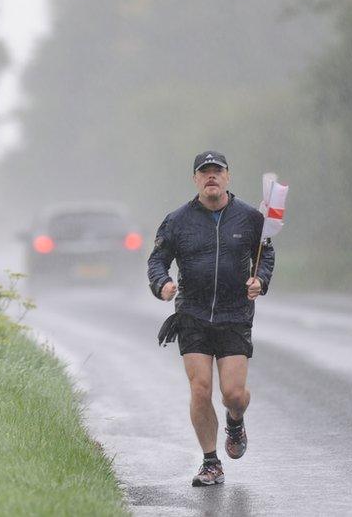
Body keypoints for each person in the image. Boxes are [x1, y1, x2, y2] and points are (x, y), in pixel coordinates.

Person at [147, 151, 275, 487]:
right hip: (193, 314)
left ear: (228, 177)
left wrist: (259, 281)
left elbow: (266, 254)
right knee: (200, 388)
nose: (211, 177)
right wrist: (162, 284)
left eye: (217, 171)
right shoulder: (177, 221)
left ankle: (236, 419)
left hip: (234, 315)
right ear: (195, 180)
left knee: (233, 394)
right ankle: (210, 462)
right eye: (204, 172)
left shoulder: (250, 218)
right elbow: (157, 260)